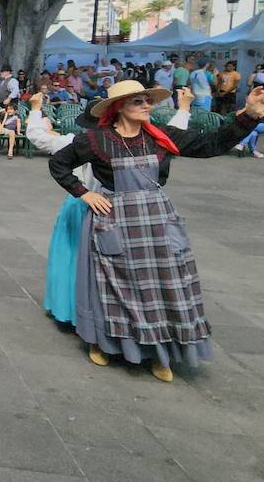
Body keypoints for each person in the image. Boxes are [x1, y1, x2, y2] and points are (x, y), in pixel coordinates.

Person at [48, 82, 264, 382]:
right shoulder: (96, 140)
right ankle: (104, 343)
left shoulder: (161, 137)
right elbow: (59, 163)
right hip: (115, 219)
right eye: (137, 101)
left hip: (156, 220)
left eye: (147, 100)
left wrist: (250, 116)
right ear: (119, 108)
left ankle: (159, 354)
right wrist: (84, 193)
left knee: (163, 287)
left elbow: (211, 144)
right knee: (114, 288)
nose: (146, 105)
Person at [27, 92, 190, 328]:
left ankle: (76, 311)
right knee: (97, 266)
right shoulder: (92, 142)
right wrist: (184, 108)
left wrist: (35, 109)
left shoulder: (77, 140)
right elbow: (173, 136)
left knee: (75, 262)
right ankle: (93, 316)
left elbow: (38, 137)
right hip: (99, 204)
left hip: (86, 205)